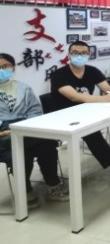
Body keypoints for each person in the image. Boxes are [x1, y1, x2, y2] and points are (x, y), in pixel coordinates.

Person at [50, 41, 110, 186]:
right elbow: (74, 97)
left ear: (89, 55)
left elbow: (107, 88)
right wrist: (103, 99)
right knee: (91, 132)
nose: (79, 56)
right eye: (75, 53)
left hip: (87, 109)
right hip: (66, 115)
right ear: (68, 55)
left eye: (83, 53)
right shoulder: (59, 74)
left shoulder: (92, 71)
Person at [0, 53, 68, 208]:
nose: (2, 70)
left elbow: (35, 110)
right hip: (3, 135)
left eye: (5, 66)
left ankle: (52, 184)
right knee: (26, 148)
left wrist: (27, 126)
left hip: (26, 128)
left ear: (12, 68)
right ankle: (25, 189)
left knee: (46, 145)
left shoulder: (23, 88)